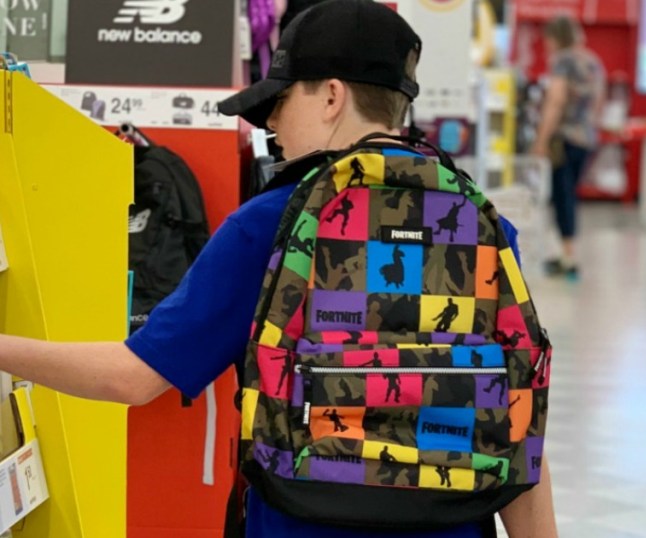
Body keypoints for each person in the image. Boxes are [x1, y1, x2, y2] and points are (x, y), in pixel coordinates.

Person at [0, 1, 556, 537]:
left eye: (281, 100)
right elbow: (516, 415)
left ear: (332, 96)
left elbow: (132, 377)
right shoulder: (482, 228)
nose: (271, 124)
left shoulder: (270, 223)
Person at [530, 15, 605, 280]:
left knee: (561, 197)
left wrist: (540, 140)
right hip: (586, 137)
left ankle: (568, 257)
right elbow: (598, 103)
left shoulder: (562, 61)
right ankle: (564, 253)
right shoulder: (592, 61)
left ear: (556, 38)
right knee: (569, 195)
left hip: (564, 138)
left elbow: (555, 102)